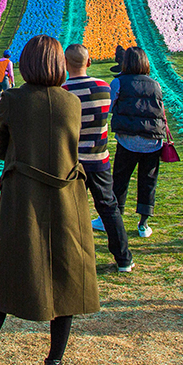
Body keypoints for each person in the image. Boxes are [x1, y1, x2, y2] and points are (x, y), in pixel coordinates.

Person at [0, 35, 98, 365]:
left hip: (22, 199)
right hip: (67, 199)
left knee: (7, 278)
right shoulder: (71, 102)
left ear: (26, 64)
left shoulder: (12, 99)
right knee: (66, 282)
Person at [62, 44, 130, 272]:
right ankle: (124, 259)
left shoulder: (62, 92)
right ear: (89, 62)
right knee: (109, 207)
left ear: (64, 63)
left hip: (72, 162)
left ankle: (73, 260)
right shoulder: (104, 88)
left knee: (71, 212)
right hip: (99, 157)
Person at [109, 47, 168, 239]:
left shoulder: (119, 82)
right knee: (148, 181)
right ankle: (144, 223)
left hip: (128, 139)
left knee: (120, 178)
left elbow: (109, 106)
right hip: (153, 140)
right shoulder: (155, 84)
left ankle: (114, 218)